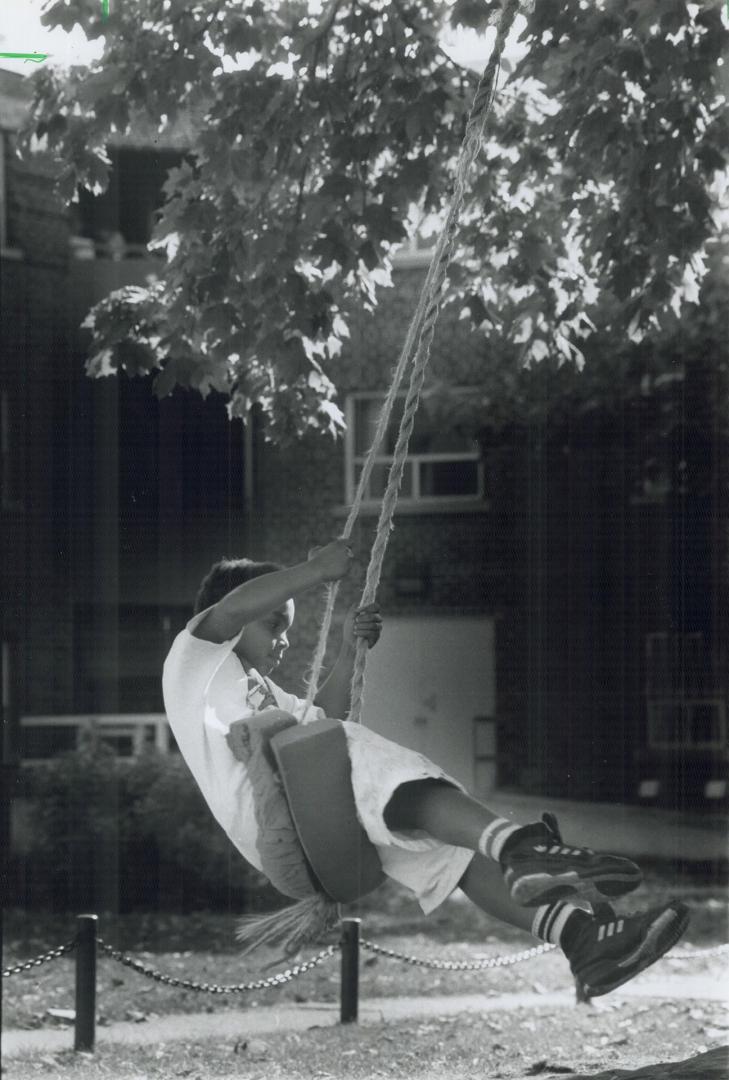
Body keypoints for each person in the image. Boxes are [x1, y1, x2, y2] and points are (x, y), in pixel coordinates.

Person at [162, 538, 689, 998]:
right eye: (275, 621)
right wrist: (315, 571)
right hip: (276, 822)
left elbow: (325, 712)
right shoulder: (195, 661)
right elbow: (233, 611)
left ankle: (583, 941)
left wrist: (347, 652)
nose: (282, 639)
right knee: (347, 746)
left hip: (298, 829)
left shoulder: (260, 687)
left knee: (449, 852)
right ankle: (523, 849)